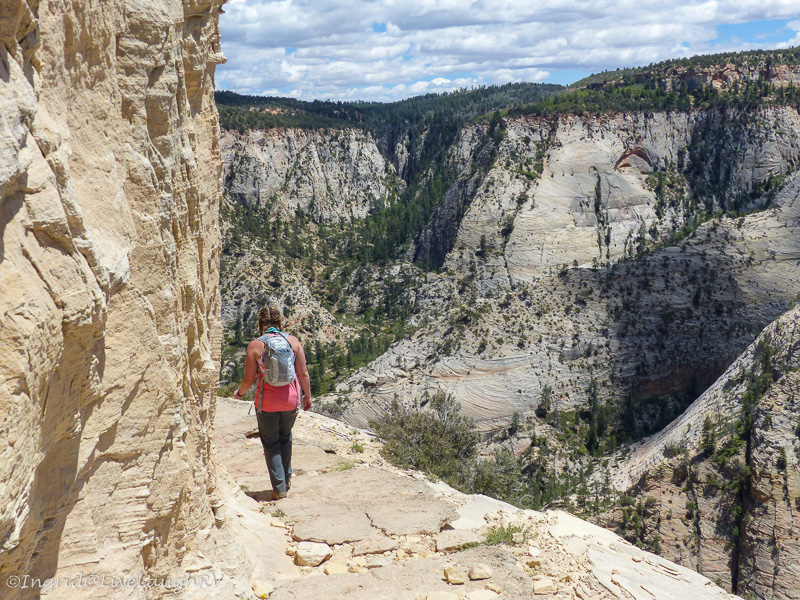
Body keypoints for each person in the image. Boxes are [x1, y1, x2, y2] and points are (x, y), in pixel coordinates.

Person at [233, 306, 312, 500]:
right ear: (280, 322)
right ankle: (287, 478)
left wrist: (239, 393)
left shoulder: (255, 346)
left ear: (261, 324)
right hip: (291, 400)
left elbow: (248, 379)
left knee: (271, 443)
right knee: (286, 436)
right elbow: (303, 373)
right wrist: (307, 397)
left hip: (266, 402)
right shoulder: (293, 342)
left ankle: (279, 488)